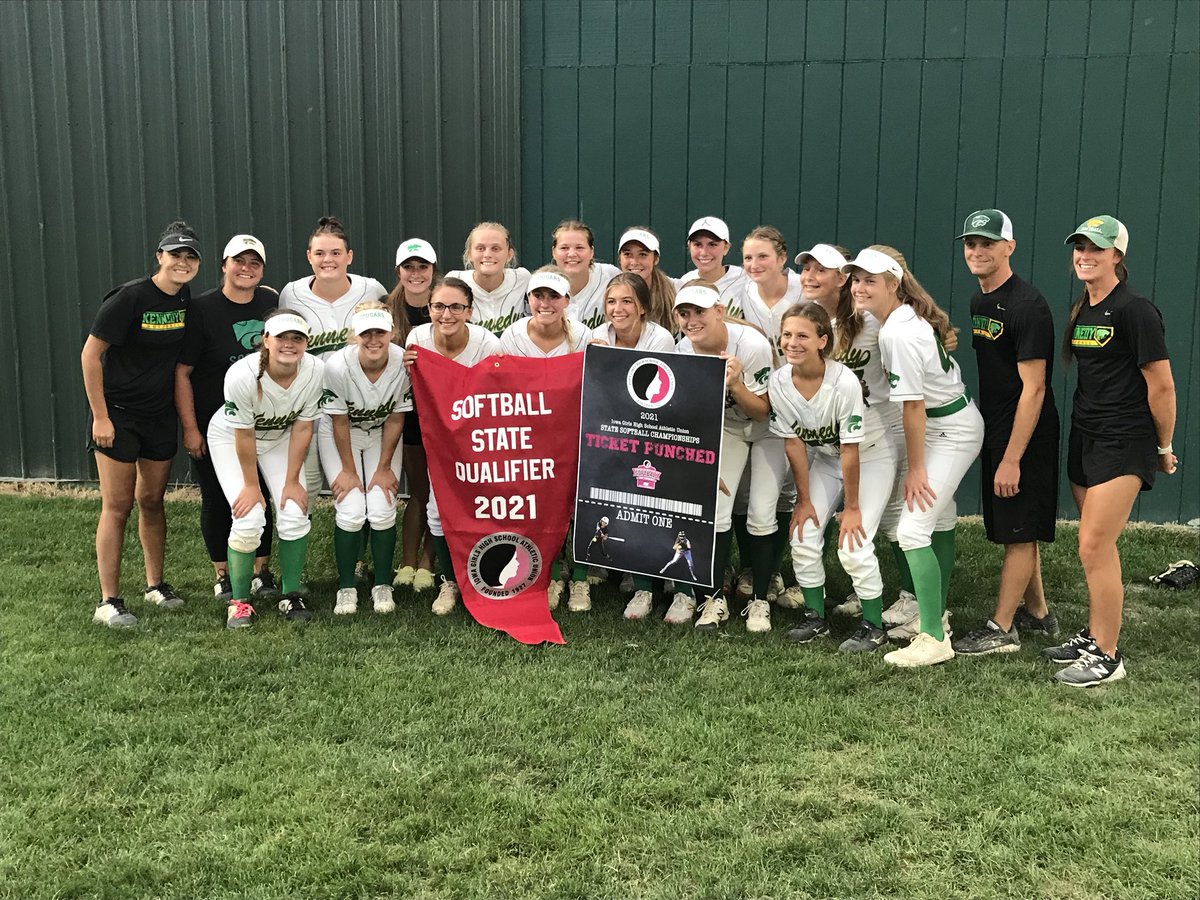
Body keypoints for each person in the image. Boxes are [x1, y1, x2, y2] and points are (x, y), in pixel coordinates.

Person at [1043, 216, 1176, 686]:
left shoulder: (1136, 310)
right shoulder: (1084, 306)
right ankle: (1094, 635)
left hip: (1124, 440)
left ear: (1117, 255)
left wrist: (1163, 446)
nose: (1085, 256)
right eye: (1079, 248)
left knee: (1093, 545)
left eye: (1096, 249)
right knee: (1096, 546)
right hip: (1086, 436)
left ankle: (1107, 655)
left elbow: (1162, 386)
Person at [843, 247, 984, 667]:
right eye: (856, 279)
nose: (859, 286)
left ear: (894, 283)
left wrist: (917, 468)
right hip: (949, 421)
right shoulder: (899, 318)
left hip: (949, 429)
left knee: (912, 530)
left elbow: (914, 407)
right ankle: (932, 615)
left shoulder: (898, 332)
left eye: (870, 280)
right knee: (938, 521)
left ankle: (934, 638)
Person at [949, 210, 1062, 657]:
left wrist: (1013, 458)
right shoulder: (980, 302)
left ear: (1009, 247)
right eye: (971, 243)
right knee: (1018, 526)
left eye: (988, 243)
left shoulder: (1027, 306)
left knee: (1018, 532)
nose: (977, 251)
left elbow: (1035, 390)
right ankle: (1038, 613)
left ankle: (1001, 628)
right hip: (997, 427)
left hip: (1026, 434)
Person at [81, 220, 200, 627]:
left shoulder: (184, 298)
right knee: (117, 506)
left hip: (159, 415)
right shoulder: (129, 298)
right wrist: (101, 416)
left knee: (151, 500)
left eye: (190, 256)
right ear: (159, 256)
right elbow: (90, 356)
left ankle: (155, 584)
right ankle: (109, 600)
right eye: (175, 254)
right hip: (118, 415)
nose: (182, 262)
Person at [769, 303, 896, 653]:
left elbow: (851, 450)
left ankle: (873, 625)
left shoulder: (843, 382)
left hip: (870, 458)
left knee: (853, 543)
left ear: (822, 341)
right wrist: (803, 500)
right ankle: (815, 616)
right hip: (827, 458)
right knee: (803, 533)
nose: (792, 342)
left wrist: (851, 508)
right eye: (787, 335)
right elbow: (793, 443)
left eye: (803, 335)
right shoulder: (778, 381)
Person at [672, 282, 785, 633]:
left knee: (762, 512)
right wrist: (705, 462)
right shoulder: (683, 349)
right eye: (684, 313)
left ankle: (760, 600)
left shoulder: (750, 345)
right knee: (716, 508)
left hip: (769, 428)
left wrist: (735, 384)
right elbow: (691, 413)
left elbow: (762, 412)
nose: (692, 320)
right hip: (726, 427)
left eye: (700, 311)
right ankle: (712, 598)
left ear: (719, 311)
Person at [175, 234, 281, 605]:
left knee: (261, 492)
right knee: (218, 497)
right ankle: (222, 574)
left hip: (262, 421)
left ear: (262, 270)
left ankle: (261, 571)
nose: (246, 269)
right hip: (213, 423)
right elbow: (182, 372)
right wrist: (191, 428)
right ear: (224, 265)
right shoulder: (202, 309)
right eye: (239, 261)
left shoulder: (270, 303)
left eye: (254, 263)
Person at [207, 310, 326, 628]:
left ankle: (291, 594)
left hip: (280, 437)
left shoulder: (315, 370)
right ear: (266, 340)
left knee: (295, 510)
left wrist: (292, 480)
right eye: (282, 337)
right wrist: (251, 486)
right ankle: (239, 602)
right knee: (249, 516)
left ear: (306, 342)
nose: (289, 344)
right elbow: (244, 435)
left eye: (297, 338)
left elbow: (303, 427)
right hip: (231, 437)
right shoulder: (241, 374)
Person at [404, 277, 502, 615]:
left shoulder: (487, 343)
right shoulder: (417, 339)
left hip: (479, 438)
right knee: (437, 508)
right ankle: (448, 581)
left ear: (470, 311)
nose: (447, 314)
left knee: (484, 507)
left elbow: (499, 393)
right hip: (440, 440)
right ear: (429, 309)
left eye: (456, 307)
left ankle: (484, 572)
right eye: (439, 306)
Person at [498, 266, 593, 611]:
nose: (546, 303)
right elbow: (500, 386)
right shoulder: (512, 335)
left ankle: (580, 579)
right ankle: (549, 575)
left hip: (573, 434)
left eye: (554, 296)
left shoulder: (583, 337)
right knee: (541, 507)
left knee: (578, 505)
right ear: (528, 299)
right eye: (539, 295)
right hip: (529, 437)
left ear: (567, 300)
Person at [279, 216, 387, 502]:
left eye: (336, 253)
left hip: (358, 401)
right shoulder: (291, 293)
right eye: (320, 253)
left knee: (363, 482)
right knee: (310, 479)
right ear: (309, 257)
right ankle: (302, 521)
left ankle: (362, 520)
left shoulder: (372, 289)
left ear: (349, 256)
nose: (328, 260)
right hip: (310, 399)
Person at [318, 303, 411, 616]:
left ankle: (382, 584)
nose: (373, 339)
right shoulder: (337, 365)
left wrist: (384, 468)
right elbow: (339, 421)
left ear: (392, 333)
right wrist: (348, 470)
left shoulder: (402, 361)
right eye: (366, 333)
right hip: (341, 433)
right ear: (354, 335)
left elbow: (396, 418)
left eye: (379, 332)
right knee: (352, 507)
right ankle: (346, 587)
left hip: (381, 432)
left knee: (383, 506)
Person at [385, 238, 439, 593]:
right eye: (409, 267)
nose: (416, 274)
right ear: (398, 271)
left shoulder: (448, 304)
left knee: (440, 490)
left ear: (434, 270)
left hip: (445, 414)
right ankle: (407, 561)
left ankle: (428, 562)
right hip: (406, 414)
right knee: (419, 489)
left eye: (423, 267)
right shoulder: (386, 311)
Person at [447, 221, 531, 336]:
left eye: (495, 248)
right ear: (469, 254)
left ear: (509, 255)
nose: (487, 254)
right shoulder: (455, 282)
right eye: (480, 248)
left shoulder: (523, 279)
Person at [739, 225, 804, 357]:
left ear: (782, 258)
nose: (754, 265)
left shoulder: (804, 288)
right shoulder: (743, 290)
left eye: (763, 256)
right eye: (748, 258)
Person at [551, 219, 620, 330]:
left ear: (591, 252)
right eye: (564, 248)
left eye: (579, 248)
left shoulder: (610, 275)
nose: (572, 254)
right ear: (554, 252)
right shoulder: (542, 285)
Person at [673, 217, 748, 317]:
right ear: (689, 246)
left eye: (712, 244)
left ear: (726, 248)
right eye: (697, 244)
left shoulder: (744, 279)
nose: (704, 252)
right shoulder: (684, 283)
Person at [589, 273, 676, 352]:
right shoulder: (598, 335)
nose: (618, 309)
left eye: (626, 301)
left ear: (643, 307)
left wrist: (607, 355)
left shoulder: (659, 339)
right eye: (611, 301)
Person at [617, 227, 676, 331]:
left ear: (656, 259)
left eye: (642, 254)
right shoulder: (611, 291)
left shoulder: (676, 289)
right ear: (620, 258)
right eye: (627, 254)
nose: (634, 262)